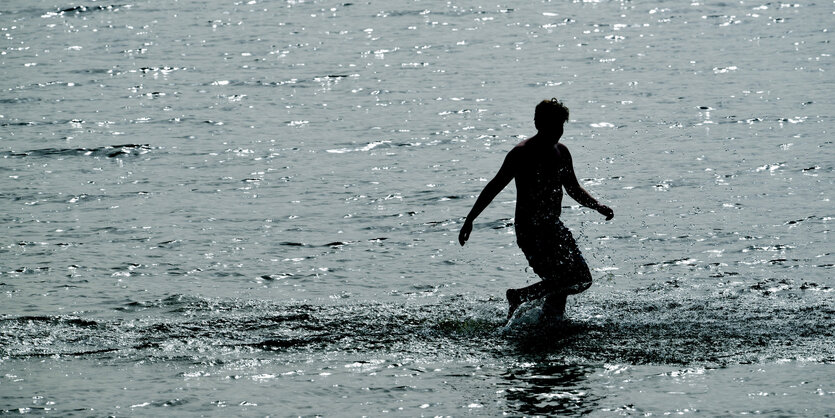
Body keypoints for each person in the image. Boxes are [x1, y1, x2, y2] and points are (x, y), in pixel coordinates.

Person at [458, 98, 614, 320]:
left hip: (554, 227)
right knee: (562, 280)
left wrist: (596, 205)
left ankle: (549, 325)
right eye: (553, 126)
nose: (558, 131)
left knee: (579, 279)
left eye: (561, 126)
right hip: (531, 231)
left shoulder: (562, 152)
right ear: (539, 125)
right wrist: (470, 220)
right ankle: (521, 299)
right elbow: (494, 186)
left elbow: (573, 187)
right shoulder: (521, 154)